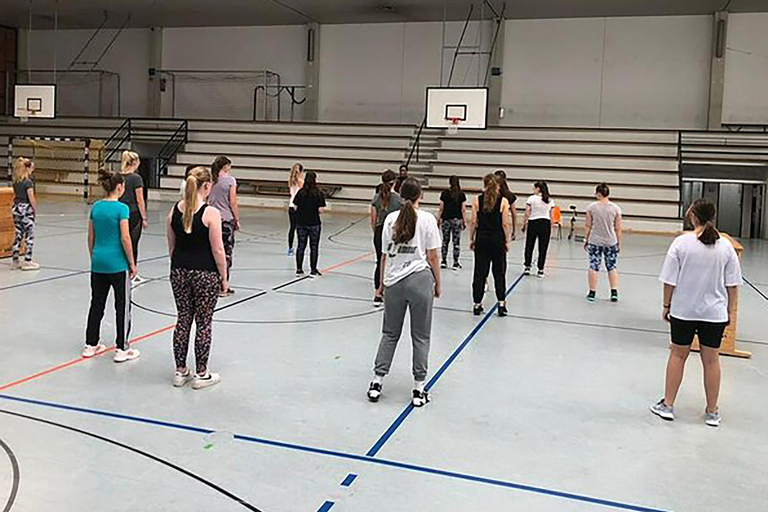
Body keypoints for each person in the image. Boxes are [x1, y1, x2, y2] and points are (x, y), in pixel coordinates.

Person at [651, 199, 741, 427]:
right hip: (715, 313)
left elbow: (669, 281)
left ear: (692, 216)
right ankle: (712, 411)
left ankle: (668, 405)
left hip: (683, 311)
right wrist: (729, 311)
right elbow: (732, 285)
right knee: (711, 360)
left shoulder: (681, 243)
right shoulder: (726, 247)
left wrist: (666, 305)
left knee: (678, 355)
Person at [367, 178, 442, 408]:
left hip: (394, 281)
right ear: (421, 195)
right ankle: (419, 388)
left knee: (389, 333)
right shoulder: (427, 219)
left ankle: (377, 382)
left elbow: (384, 256)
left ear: (400, 195)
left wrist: (380, 286)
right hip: (420, 280)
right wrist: (438, 283)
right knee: (420, 336)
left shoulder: (390, 219)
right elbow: (432, 257)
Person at [167, 166, 229, 390]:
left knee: (183, 318)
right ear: (206, 186)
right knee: (204, 322)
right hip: (204, 274)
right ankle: (202, 373)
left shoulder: (174, 211)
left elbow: (171, 246)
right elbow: (218, 250)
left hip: (179, 271)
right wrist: (224, 276)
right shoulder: (210, 213)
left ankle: (180, 370)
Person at [82, 169, 139, 363]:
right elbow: (125, 237)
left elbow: (91, 236)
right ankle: (122, 348)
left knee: (96, 303)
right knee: (122, 306)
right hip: (117, 265)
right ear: (120, 187)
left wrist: (94, 257)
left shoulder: (96, 207)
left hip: (98, 263)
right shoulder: (121, 209)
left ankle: (90, 344)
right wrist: (131, 263)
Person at [469, 174, 512, 317]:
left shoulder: (477, 200)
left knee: (480, 272)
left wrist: (471, 238)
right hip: (497, 238)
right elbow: (505, 223)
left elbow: (474, 222)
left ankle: (477, 303)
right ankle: (501, 303)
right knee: (499, 272)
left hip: (482, 237)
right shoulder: (503, 201)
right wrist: (507, 240)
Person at [584, 183, 622, 302]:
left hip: (595, 241)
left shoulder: (591, 207)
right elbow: (618, 228)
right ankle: (614, 291)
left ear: (599, 194)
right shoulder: (616, 208)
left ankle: (592, 292)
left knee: (594, 266)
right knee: (612, 266)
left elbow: (588, 225)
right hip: (610, 241)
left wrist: (586, 239)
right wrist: (618, 242)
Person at [370, 169, 403, 306]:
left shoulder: (377, 198)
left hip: (379, 230)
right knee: (395, 261)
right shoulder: (399, 199)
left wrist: (377, 232)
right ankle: (393, 291)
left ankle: (378, 292)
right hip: (392, 232)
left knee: (380, 261)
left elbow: (373, 219)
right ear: (395, 182)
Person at [208, 156, 240, 296]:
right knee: (226, 253)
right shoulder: (230, 180)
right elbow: (232, 201)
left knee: (213, 251)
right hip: (226, 218)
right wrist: (236, 218)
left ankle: (213, 284)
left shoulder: (211, 180)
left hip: (211, 218)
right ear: (226, 166)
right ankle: (224, 284)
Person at [119, 151, 148, 285]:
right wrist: (144, 217)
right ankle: (132, 272)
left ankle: (122, 271)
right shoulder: (136, 178)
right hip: (133, 213)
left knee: (121, 242)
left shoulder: (119, 177)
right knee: (133, 244)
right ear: (135, 163)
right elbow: (140, 199)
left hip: (120, 213)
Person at [293, 170, 326, 277]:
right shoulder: (318, 193)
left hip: (301, 222)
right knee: (314, 247)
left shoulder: (301, 192)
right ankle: (313, 269)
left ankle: (299, 269)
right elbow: (321, 209)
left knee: (301, 246)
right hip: (314, 223)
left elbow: (295, 206)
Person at [11, 157, 39, 271]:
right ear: (27, 168)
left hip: (16, 209)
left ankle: (15, 259)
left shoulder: (16, 182)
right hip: (26, 210)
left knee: (18, 234)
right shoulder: (28, 182)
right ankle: (27, 260)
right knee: (29, 235)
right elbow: (31, 198)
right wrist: (34, 210)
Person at [522, 181, 554, 278]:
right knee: (543, 247)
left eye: (534, 188)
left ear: (538, 188)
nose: (533, 190)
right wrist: (551, 227)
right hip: (545, 223)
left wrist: (524, 223)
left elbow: (527, 212)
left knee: (529, 245)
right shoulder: (549, 200)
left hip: (533, 222)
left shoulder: (531, 198)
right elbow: (552, 216)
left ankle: (527, 266)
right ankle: (541, 269)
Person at [437, 176, 467, 270]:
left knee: (445, 241)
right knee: (456, 242)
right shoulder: (461, 194)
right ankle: (455, 262)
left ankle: (443, 261)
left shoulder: (444, 193)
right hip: (456, 220)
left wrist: (438, 219)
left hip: (446, 219)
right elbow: (463, 209)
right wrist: (464, 220)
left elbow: (441, 208)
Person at [494, 170, 518, 241]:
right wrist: (514, 230)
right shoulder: (509, 195)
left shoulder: (490, 195)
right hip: (502, 223)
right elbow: (514, 213)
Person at [287, 163, 304, 256]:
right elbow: (302, 192)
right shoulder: (300, 181)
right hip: (298, 206)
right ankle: (300, 248)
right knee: (300, 229)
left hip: (291, 205)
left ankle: (290, 248)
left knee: (292, 228)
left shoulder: (290, 180)